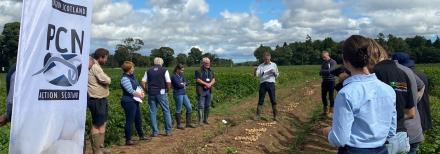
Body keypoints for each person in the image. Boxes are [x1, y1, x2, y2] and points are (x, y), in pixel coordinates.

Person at [323, 35, 396, 154]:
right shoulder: (388, 89)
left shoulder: (346, 93)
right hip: (382, 149)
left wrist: (327, 132)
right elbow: (391, 131)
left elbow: (339, 139)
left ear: (344, 59)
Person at [368, 39, 416, 154]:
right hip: (402, 137)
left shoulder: (374, 73)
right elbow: (411, 113)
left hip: (383, 139)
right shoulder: (402, 73)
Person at [392, 52, 426, 154]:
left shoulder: (391, 74)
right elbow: (422, 85)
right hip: (414, 132)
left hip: (403, 134)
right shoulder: (408, 71)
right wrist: (416, 98)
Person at [119, 61, 150, 145]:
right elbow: (130, 90)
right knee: (130, 120)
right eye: (132, 67)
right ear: (128, 69)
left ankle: (141, 135)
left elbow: (137, 86)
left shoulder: (132, 77)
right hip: (128, 101)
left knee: (138, 119)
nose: (133, 69)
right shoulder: (125, 78)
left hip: (134, 101)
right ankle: (128, 139)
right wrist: (140, 95)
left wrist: (142, 92)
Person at [88, 48, 112, 154]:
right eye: (106, 58)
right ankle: (96, 150)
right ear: (101, 57)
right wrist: (108, 79)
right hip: (96, 98)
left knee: (102, 123)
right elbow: (106, 80)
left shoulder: (95, 65)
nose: (106, 60)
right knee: (97, 124)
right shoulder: (95, 67)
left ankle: (100, 148)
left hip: (101, 98)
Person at [141, 57, 173, 136]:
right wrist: (167, 90)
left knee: (152, 112)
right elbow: (168, 82)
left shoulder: (148, 70)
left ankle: (155, 132)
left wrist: (146, 91)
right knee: (166, 111)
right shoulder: (164, 70)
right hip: (161, 92)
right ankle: (168, 131)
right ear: (161, 63)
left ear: (154, 63)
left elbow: (142, 82)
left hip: (151, 93)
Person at [254, 52, 279, 121]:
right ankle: (258, 115)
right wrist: (255, 70)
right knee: (261, 100)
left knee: (273, 100)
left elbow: (277, 75)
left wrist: (274, 73)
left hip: (271, 84)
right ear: (263, 58)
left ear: (270, 57)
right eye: (265, 59)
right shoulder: (260, 66)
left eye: (267, 59)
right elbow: (256, 75)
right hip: (263, 84)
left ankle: (275, 115)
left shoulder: (274, 65)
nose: (266, 60)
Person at [171, 64, 196, 129]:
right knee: (178, 108)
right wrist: (183, 84)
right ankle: (179, 125)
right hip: (177, 94)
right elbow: (179, 85)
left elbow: (187, 82)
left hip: (183, 93)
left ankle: (188, 123)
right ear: (177, 69)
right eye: (182, 70)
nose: (183, 71)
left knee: (189, 107)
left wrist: (183, 84)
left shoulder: (182, 75)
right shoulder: (173, 76)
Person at [195, 57, 216, 125]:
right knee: (201, 106)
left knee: (208, 105)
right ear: (203, 63)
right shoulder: (198, 70)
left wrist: (209, 84)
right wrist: (206, 84)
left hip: (209, 90)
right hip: (201, 90)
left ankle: (205, 119)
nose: (208, 64)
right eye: (206, 63)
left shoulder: (211, 70)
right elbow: (198, 79)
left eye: (209, 63)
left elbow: (213, 79)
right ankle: (200, 121)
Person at [319, 51, 337, 115]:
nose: (323, 58)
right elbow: (320, 72)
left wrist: (324, 72)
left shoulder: (333, 62)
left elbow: (330, 71)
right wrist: (325, 72)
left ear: (328, 55)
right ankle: (325, 110)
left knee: (331, 96)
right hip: (324, 81)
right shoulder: (323, 63)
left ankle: (331, 111)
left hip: (331, 81)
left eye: (324, 57)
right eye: (322, 57)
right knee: (323, 96)